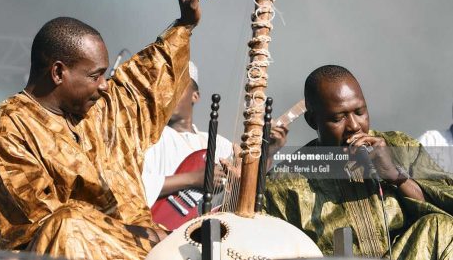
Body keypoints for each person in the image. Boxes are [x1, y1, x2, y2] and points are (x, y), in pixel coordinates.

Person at [0, 0, 213, 260]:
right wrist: (133, 234)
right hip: (79, 248)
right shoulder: (9, 128)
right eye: (95, 75)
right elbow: (40, 223)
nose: (104, 85)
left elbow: (145, 84)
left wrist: (184, 24)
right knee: (67, 224)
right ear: (59, 72)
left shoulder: (103, 110)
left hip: (147, 247)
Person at [264, 65, 453, 259]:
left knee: (440, 226)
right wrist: (265, 159)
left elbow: (445, 207)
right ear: (313, 121)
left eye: (360, 112)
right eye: (339, 118)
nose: (354, 126)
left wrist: (396, 177)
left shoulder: (399, 146)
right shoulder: (285, 182)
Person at [143, 61, 288, 208]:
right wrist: (193, 179)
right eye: (163, 89)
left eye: (177, 87)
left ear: (195, 96)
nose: (168, 94)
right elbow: (131, 188)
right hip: (156, 228)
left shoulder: (217, 143)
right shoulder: (146, 140)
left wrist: (268, 153)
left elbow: (249, 184)